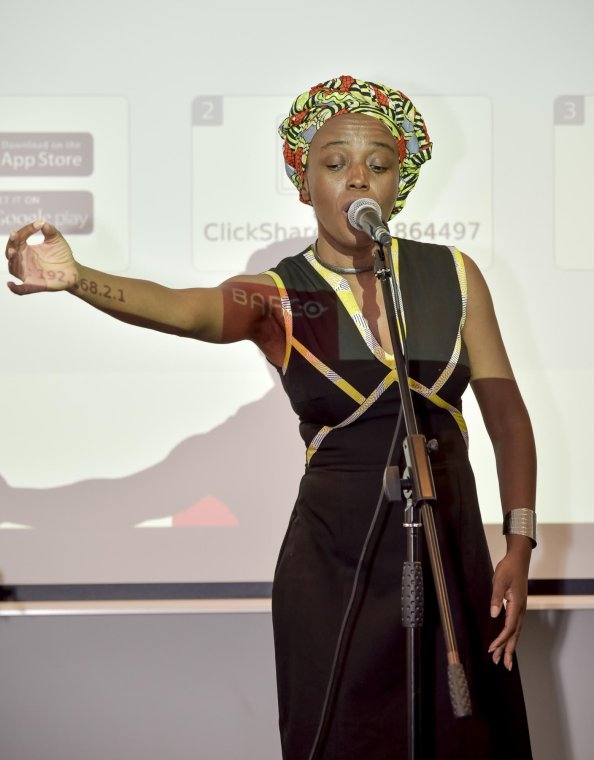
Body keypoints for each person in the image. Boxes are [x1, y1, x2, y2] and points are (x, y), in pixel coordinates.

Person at [5, 75, 536, 759]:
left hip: (447, 556)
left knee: (465, 737)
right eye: (335, 163)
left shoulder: (452, 276)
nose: (358, 179)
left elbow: (508, 419)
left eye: (378, 165)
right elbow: (187, 309)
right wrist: (80, 279)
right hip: (335, 570)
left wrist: (519, 543)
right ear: (303, 180)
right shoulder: (285, 295)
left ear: (399, 182)